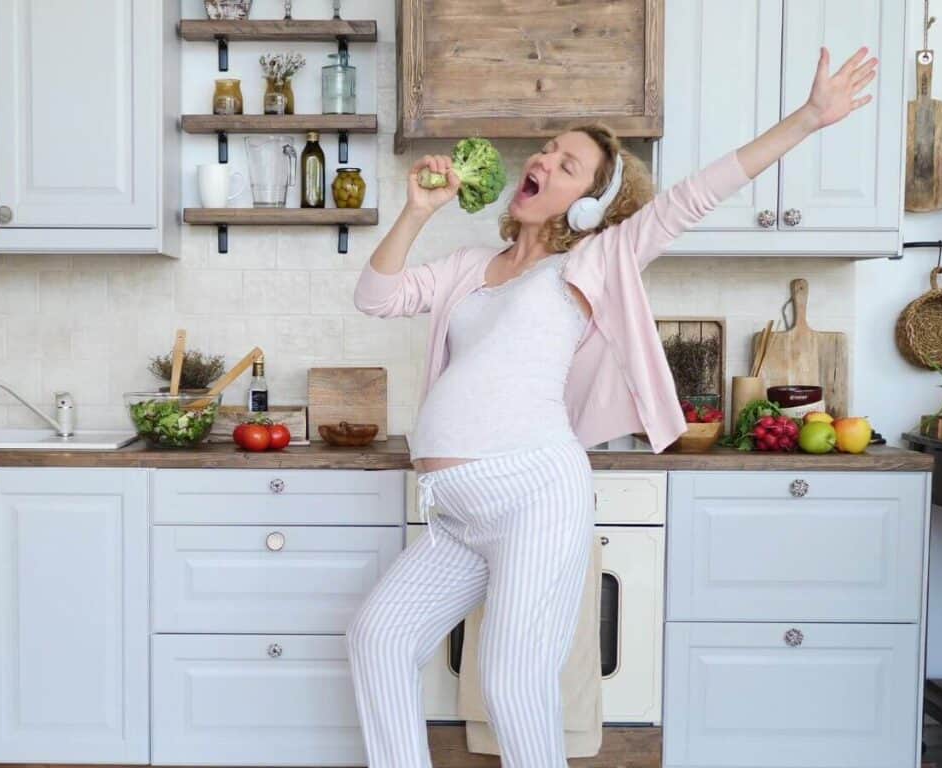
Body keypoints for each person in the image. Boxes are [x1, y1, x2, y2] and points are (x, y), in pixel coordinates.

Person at [345, 46, 878, 768]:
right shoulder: (469, 266)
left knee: (512, 685)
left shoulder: (590, 262)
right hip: (456, 512)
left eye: (569, 165)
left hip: (533, 493)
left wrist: (809, 119)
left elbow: (695, 194)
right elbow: (375, 297)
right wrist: (414, 212)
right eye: (547, 151)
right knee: (378, 637)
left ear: (593, 204)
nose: (544, 160)